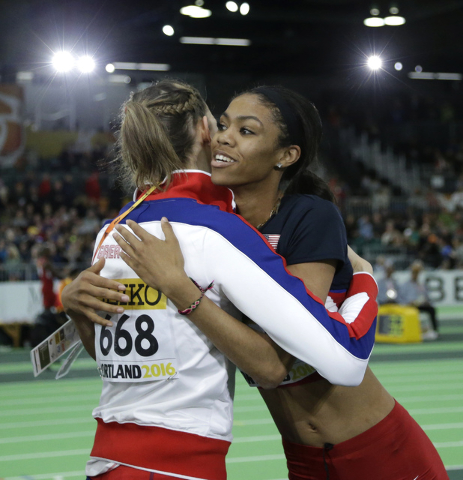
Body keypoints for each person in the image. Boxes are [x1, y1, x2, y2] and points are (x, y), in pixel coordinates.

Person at [109, 86, 448, 479]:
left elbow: (280, 358)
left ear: (286, 156)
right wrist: (83, 308)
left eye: (247, 131)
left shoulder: (308, 216)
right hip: (303, 460)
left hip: (378, 449)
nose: (223, 137)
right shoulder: (206, 230)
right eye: (222, 125)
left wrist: (365, 276)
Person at [62, 80, 379, 480]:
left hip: (107, 461)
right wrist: (366, 280)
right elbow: (329, 361)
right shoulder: (216, 229)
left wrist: (75, 313)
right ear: (202, 132)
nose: (225, 137)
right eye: (220, 124)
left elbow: (121, 362)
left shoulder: (111, 231)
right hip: (180, 464)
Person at [400, 260, 439, 340]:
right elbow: (401, 297)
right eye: (414, 273)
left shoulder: (421, 284)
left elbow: (427, 296)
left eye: (417, 273)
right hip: (410, 305)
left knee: (431, 309)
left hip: (421, 304)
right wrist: (408, 302)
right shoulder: (405, 285)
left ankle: (435, 330)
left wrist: (427, 302)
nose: (415, 275)